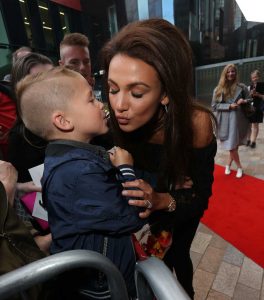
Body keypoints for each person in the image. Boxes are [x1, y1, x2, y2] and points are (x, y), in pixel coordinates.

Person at [100, 18, 217, 299]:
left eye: (137, 92)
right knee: (150, 261)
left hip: (182, 207)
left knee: (178, 255)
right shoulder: (113, 118)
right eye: (113, 89)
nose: (119, 105)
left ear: (165, 93)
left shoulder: (195, 123)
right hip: (145, 206)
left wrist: (163, 199)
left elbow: (199, 195)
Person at [17, 66, 146, 299]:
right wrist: (126, 169)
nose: (100, 104)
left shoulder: (71, 161)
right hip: (105, 287)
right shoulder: (78, 174)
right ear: (63, 121)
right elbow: (130, 216)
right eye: (91, 99)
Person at [8, 52, 53, 182]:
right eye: (39, 82)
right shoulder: (19, 139)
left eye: (54, 78)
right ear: (20, 91)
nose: (50, 87)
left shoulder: (75, 119)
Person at [212, 63, 250, 178]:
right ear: (224, 74)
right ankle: (239, 167)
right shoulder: (218, 89)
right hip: (226, 121)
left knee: (234, 145)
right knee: (232, 146)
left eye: (232, 71)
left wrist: (243, 100)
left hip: (239, 120)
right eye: (228, 72)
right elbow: (214, 106)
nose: (230, 74)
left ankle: (228, 165)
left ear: (235, 73)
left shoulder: (242, 87)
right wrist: (228, 106)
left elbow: (249, 99)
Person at [247, 69, 264, 148]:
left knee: (255, 125)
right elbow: (248, 98)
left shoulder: (262, 85)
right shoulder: (249, 86)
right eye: (253, 77)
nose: (254, 79)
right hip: (250, 107)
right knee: (249, 124)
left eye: (256, 77)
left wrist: (258, 95)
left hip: (258, 107)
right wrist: (250, 95)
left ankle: (253, 141)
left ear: (259, 77)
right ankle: (248, 139)